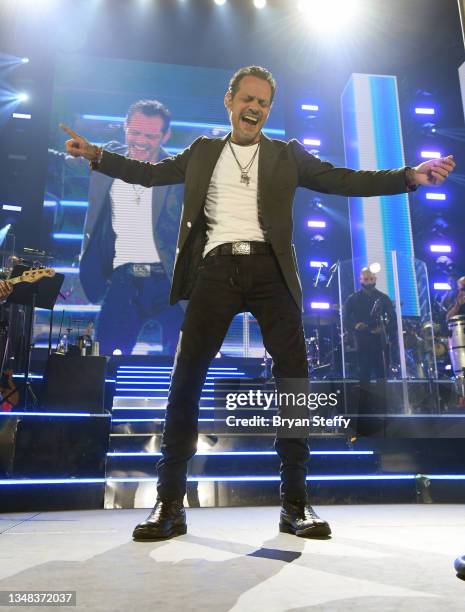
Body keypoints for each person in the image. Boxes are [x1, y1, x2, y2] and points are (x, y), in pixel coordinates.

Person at [60, 65, 455, 540]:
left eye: (263, 102)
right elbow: (148, 174)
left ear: (268, 109)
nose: (255, 108)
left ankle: (294, 504)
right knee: (185, 380)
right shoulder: (203, 151)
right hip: (215, 269)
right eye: (247, 98)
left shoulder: (285, 155)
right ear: (230, 101)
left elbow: (343, 179)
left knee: (293, 382)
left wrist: (409, 176)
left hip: (271, 270)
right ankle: (169, 505)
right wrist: (98, 155)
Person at [49, 100, 184, 356]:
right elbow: (64, 163)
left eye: (150, 135)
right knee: (105, 361)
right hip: (123, 280)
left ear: (165, 136)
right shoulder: (107, 158)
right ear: (125, 128)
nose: (141, 141)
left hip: (169, 283)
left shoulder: (177, 171)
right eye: (134, 132)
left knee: (182, 366)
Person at [344, 268, 397, 415]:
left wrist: (383, 328)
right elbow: (346, 318)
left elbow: (393, 319)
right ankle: (364, 408)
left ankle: (384, 406)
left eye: (371, 279)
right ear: (360, 280)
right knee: (364, 374)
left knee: (382, 373)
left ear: (375, 280)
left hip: (379, 341)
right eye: (365, 279)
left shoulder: (383, 298)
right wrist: (355, 325)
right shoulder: (353, 298)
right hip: (362, 340)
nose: (368, 282)